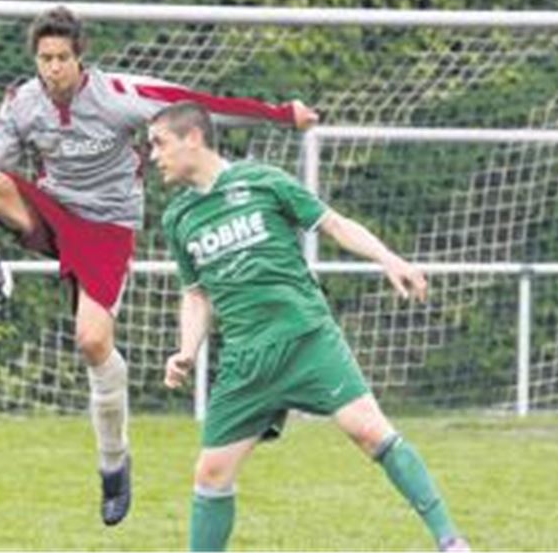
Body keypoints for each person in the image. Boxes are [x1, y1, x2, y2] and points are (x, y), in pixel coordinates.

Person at [0, 6, 318, 527]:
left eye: (63, 57)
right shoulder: (22, 104)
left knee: (93, 344)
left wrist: (278, 113)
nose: (54, 68)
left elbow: (196, 107)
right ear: (36, 59)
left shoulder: (117, 97)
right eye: (45, 58)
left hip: (108, 228)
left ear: (80, 57)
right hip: (53, 213)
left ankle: (114, 464)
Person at [149, 101, 470, 552]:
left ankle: (451, 542)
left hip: (305, 337)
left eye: (159, 143)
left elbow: (333, 223)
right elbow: (196, 293)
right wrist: (187, 349)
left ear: (194, 138)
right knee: (211, 473)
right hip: (247, 360)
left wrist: (388, 259)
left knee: (368, 430)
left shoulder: (264, 181)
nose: (153, 155)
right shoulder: (178, 218)